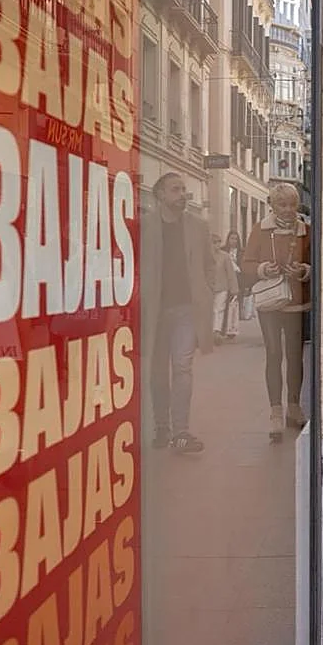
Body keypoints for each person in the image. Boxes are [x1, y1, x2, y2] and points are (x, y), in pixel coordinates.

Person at [146, 172, 216, 454]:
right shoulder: (145, 226)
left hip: (187, 309)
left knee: (183, 368)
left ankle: (181, 431)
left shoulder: (198, 226)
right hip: (154, 311)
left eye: (183, 189)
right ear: (160, 194)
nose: (182, 194)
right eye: (175, 189)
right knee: (157, 372)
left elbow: (209, 263)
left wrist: (207, 289)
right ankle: (162, 426)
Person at [242, 182, 312, 442]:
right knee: (273, 354)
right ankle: (275, 411)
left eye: (292, 204)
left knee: (295, 356)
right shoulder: (260, 230)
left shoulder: (306, 231)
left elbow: (317, 261)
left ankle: (294, 406)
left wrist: (304, 270)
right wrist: (263, 270)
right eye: (282, 205)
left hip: (296, 301)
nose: (288, 210)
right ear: (271, 205)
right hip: (270, 302)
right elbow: (246, 263)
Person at [212, 232, 241, 344]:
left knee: (219, 309)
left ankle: (216, 331)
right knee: (210, 310)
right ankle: (210, 331)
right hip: (208, 288)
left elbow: (230, 273)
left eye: (218, 242)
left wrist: (234, 289)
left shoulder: (225, 256)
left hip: (222, 287)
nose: (216, 245)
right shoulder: (206, 256)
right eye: (214, 243)